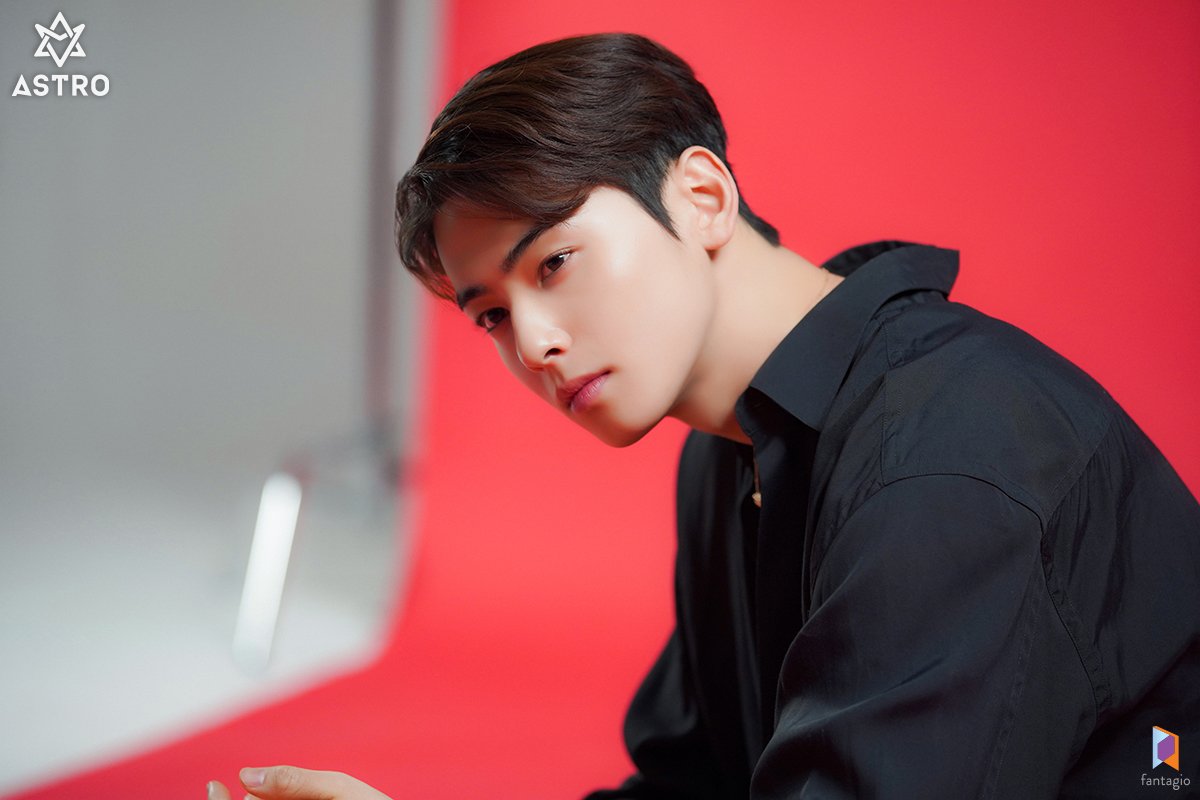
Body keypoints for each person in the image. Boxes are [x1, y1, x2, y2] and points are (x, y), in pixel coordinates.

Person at [209, 32, 1200, 800]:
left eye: (554, 262)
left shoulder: (943, 458)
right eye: (493, 316)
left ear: (701, 195)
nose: (535, 343)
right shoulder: (736, 451)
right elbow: (697, 785)